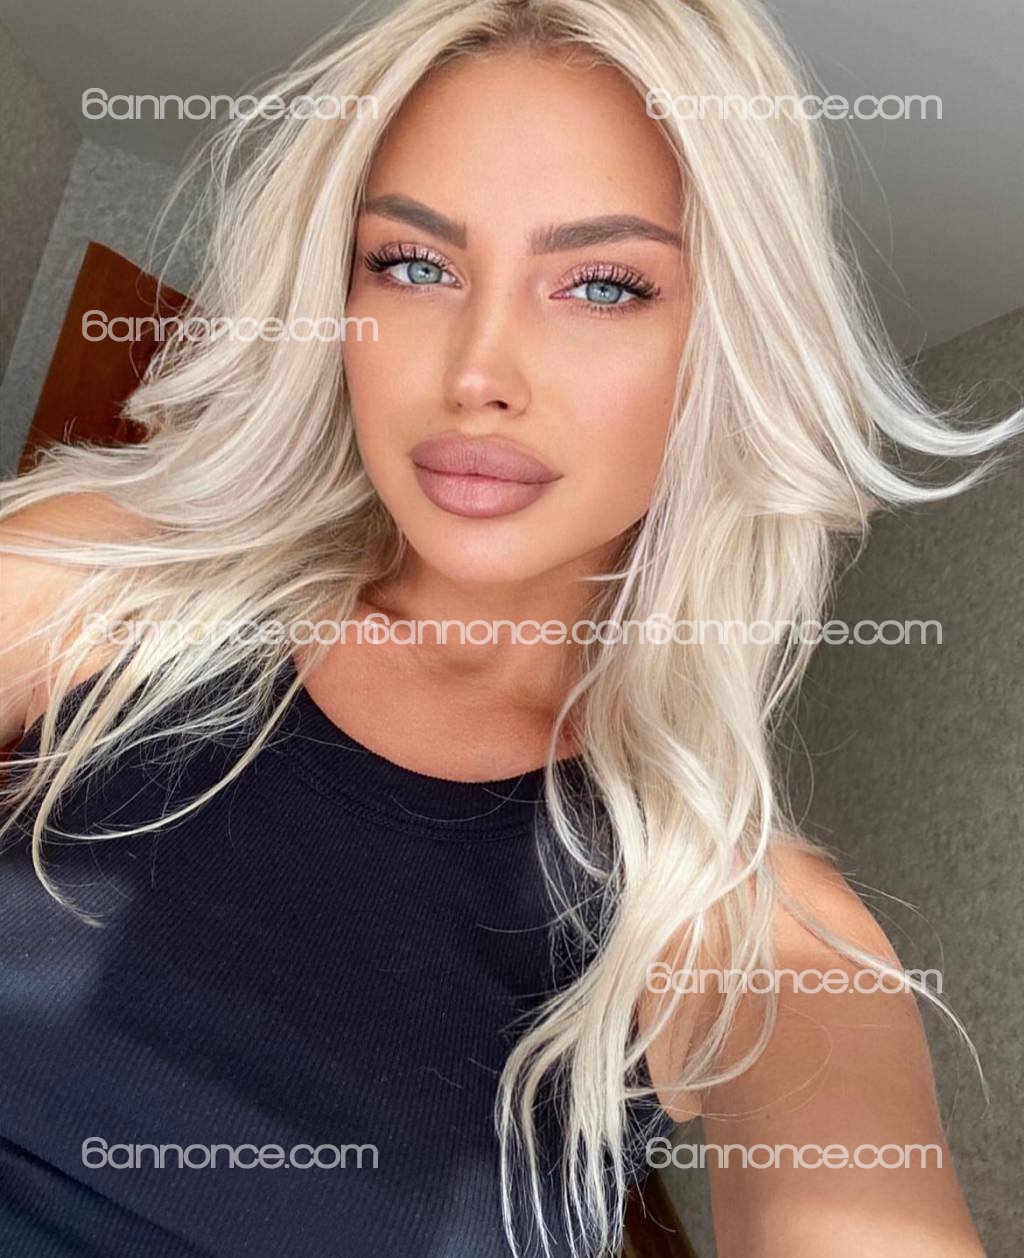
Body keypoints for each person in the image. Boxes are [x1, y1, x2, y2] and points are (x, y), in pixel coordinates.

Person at [1, 1, 1019, 1255]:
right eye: (413, 264)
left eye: (602, 284)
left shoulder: (750, 927)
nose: (478, 370)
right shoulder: (100, 575)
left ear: (725, 350)